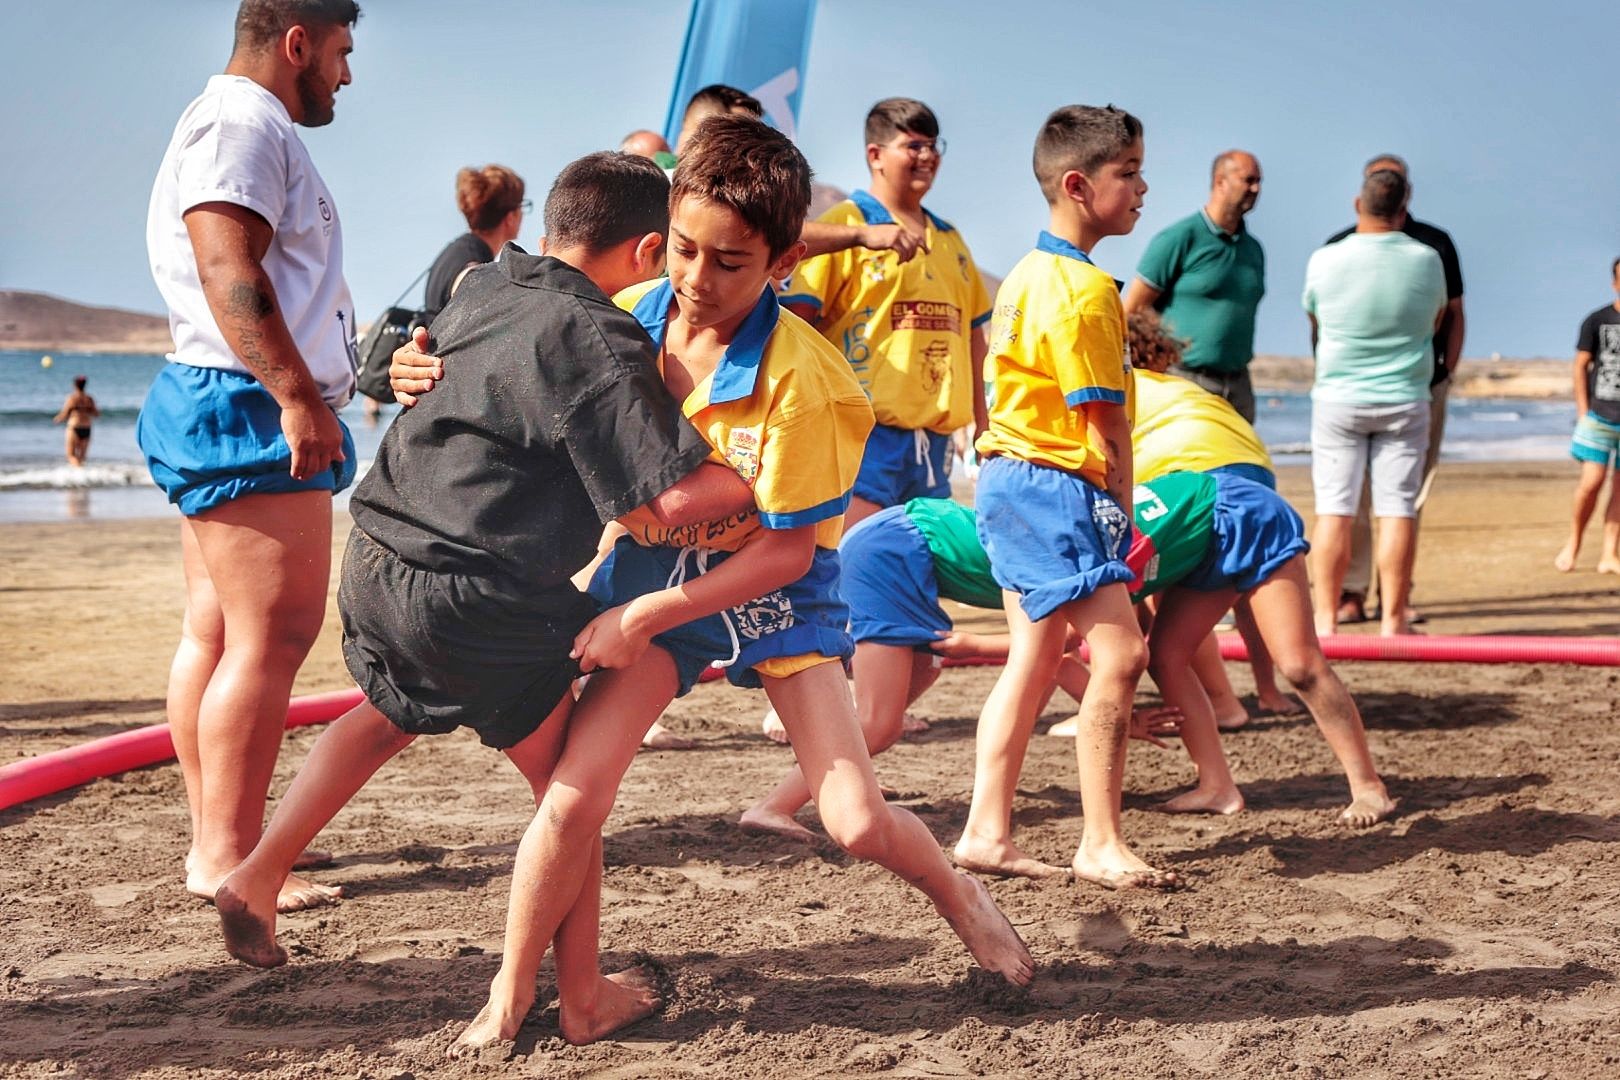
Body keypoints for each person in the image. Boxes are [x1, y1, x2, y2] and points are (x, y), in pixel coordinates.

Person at [447, 116, 1034, 1052]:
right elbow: (497, 363)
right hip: (654, 585)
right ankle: (511, 997)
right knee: (573, 795)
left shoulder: (814, 382)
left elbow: (789, 555)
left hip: (775, 599)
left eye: (730, 262)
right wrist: (412, 367)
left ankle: (961, 895)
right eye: (683, 250)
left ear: (784, 261)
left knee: (853, 819)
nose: (695, 281)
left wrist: (642, 614)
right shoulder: (623, 323)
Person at [214, 152, 765, 1047]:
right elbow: (660, 506)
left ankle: (257, 875)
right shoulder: (598, 335)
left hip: (381, 556)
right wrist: (765, 487)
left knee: (387, 712)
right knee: (567, 795)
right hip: (477, 593)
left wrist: (396, 366)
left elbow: (395, 353)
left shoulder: (482, 279)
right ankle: (582, 998)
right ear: (651, 250)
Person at [138, 0, 362, 913]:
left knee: (220, 631)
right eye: (342, 54)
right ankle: (228, 856)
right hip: (245, 400)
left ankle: (215, 840)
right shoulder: (242, 121)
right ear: (296, 43)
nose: (348, 76)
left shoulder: (235, 119)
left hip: (219, 391)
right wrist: (299, 398)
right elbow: (228, 266)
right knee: (272, 637)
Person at [953, 104, 1172, 891]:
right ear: (1079, 185)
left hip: (1007, 479)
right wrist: (1121, 515)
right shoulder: (1082, 290)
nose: (1144, 188)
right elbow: (1106, 423)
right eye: (1130, 173)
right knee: (1122, 652)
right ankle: (1101, 842)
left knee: (1036, 656)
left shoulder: (1023, 274)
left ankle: (985, 832)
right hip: (1051, 485)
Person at [740, 495, 1181, 842]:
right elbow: (1059, 650)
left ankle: (834, 776)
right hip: (891, 551)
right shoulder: (1065, 561)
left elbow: (1059, 659)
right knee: (880, 723)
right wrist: (973, 644)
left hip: (903, 549)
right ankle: (773, 805)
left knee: (923, 674)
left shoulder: (1069, 549)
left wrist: (1121, 714)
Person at [782, 97, 993, 529]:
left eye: (934, 146)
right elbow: (797, 322)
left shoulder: (952, 240)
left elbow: (975, 338)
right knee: (854, 563)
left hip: (934, 445)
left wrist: (984, 427)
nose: (928, 156)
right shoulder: (847, 224)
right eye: (913, 145)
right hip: (864, 435)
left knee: (915, 568)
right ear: (875, 155)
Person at [1130, 310, 1297, 723]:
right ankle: (1268, 691)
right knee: (1247, 584)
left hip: (1192, 471)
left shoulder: (1117, 385)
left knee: (1157, 584)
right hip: (1254, 467)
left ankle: (1221, 702)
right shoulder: (1181, 388)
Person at [1303, 168, 1446, 638]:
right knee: (1397, 509)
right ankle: (1392, 620)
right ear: (1404, 209)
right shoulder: (1427, 259)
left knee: (1334, 509)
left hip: (1339, 396)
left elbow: (1315, 320)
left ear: (1356, 204)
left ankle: (1324, 618)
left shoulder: (1325, 259)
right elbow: (1438, 318)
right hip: (1404, 395)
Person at [1123, 150, 1266, 421]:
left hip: (1239, 385)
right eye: (1248, 180)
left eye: (1259, 181)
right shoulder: (1180, 238)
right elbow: (1132, 311)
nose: (1256, 188)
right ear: (1220, 181)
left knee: (1243, 463)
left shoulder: (1253, 249)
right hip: (1185, 379)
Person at [1557, 257, 1620, 574]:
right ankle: (1574, 542)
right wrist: (1582, 411)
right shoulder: (1596, 320)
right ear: (1614, 282)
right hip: (1599, 416)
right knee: (1591, 484)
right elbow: (1580, 366)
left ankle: (1610, 554)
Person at [421, 164, 527, 324]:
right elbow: (472, 285)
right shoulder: (471, 260)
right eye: (521, 206)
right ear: (511, 216)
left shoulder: (459, 250)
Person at [52, 375, 100, 466]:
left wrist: (57, 419)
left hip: (74, 427)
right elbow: (96, 414)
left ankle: (79, 473)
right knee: (82, 457)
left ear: (74, 385)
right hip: (87, 427)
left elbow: (65, 413)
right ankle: (81, 476)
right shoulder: (89, 399)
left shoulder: (72, 398)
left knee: (71, 455)